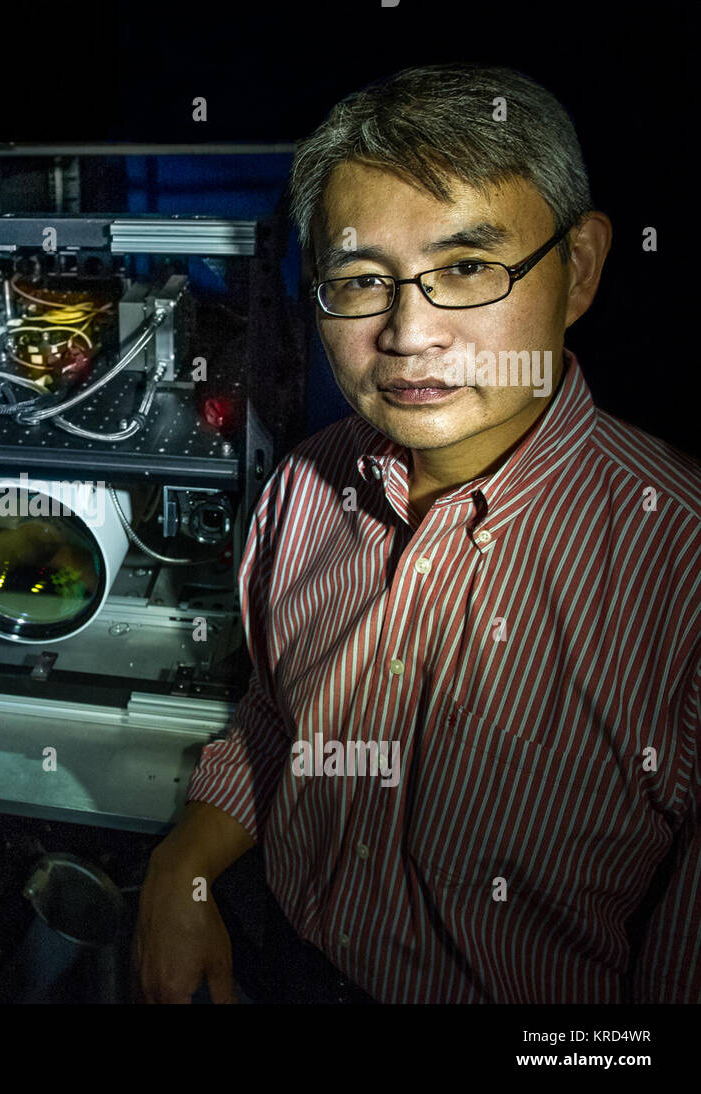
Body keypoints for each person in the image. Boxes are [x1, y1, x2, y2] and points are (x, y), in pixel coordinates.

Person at [134, 64, 699, 1003]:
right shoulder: (300, 496)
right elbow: (280, 719)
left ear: (583, 269)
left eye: (468, 268)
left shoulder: (676, 567)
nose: (408, 332)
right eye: (359, 280)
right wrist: (182, 867)